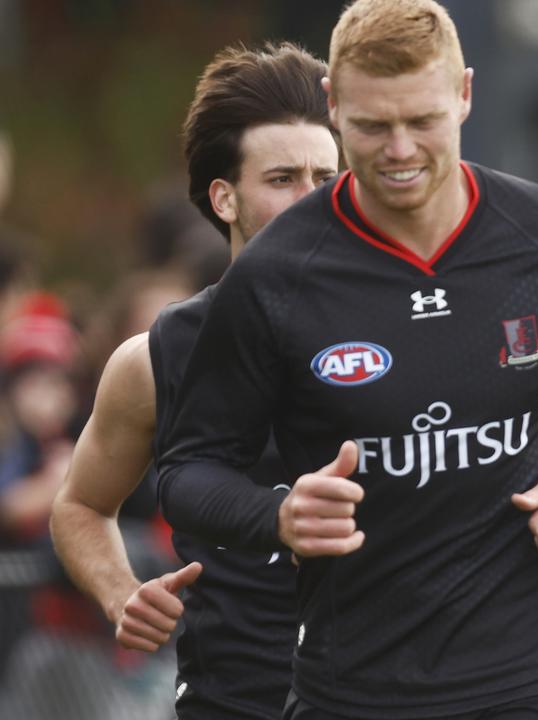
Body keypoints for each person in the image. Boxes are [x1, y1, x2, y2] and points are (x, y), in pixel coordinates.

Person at [154, 1, 538, 718]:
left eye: (423, 121)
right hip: (354, 692)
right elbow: (187, 470)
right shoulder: (276, 274)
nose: (400, 150)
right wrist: (276, 514)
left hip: (529, 687)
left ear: (464, 93)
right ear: (334, 106)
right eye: (372, 126)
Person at [49, 42, 340, 719]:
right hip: (231, 700)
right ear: (224, 197)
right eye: (283, 179)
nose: (311, 201)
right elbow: (79, 506)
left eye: (326, 177)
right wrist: (122, 591)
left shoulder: (413, 326)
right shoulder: (154, 358)